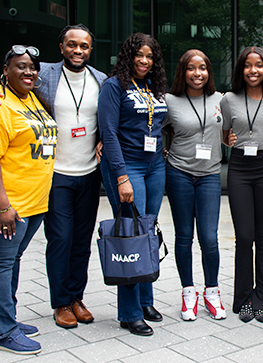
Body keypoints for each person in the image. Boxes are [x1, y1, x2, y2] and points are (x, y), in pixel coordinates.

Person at [0, 24, 106, 329]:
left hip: (88, 173)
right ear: (61, 47)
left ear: (90, 49)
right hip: (56, 175)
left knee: (81, 242)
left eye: (84, 46)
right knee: (60, 239)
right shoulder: (42, 73)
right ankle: (60, 302)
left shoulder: (101, 79)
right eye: (71, 45)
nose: (78, 51)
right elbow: (9, 78)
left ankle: (76, 297)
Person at [0, 45, 57, 354]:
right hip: (2, 203)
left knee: (12, 260)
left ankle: (9, 318)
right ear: (5, 70)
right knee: (1, 263)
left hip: (32, 201)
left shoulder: (31, 98)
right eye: (20, 66)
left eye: (32, 66)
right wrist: (4, 206)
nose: (28, 71)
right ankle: (3, 330)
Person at [98, 33, 167, 336]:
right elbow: (109, 133)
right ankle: (128, 312)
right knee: (130, 234)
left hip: (155, 166)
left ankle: (145, 299)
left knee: (147, 231)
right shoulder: (114, 87)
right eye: (139, 55)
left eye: (150, 56)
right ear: (128, 55)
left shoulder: (152, 86)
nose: (144, 60)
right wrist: (121, 176)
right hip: (128, 167)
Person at [220, 47, 263, 323]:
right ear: (241, 69)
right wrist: (229, 141)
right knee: (244, 236)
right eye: (248, 65)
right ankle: (243, 297)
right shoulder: (229, 99)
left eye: (259, 65)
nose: (253, 70)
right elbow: (225, 135)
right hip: (240, 169)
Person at [164, 49, 227, 321]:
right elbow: (150, 126)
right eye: (191, 68)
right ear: (183, 71)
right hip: (179, 172)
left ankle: (211, 291)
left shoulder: (221, 100)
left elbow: (234, 127)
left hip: (210, 174)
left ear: (208, 71)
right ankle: (188, 292)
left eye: (202, 68)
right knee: (184, 236)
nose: (197, 73)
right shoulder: (169, 101)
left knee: (209, 238)